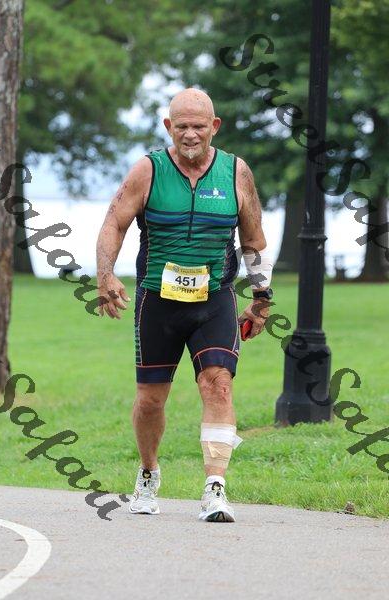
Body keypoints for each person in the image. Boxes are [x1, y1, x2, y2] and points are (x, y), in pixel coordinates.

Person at [96, 88, 274, 522]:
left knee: (218, 384)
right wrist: (105, 274)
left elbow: (253, 241)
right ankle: (148, 473)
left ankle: (215, 488)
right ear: (168, 127)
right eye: (182, 126)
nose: (190, 134)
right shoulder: (148, 170)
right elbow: (114, 222)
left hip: (214, 300)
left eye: (198, 126)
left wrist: (261, 298)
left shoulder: (236, 172)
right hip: (157, 302)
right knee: (151, 400)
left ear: (214, 127)